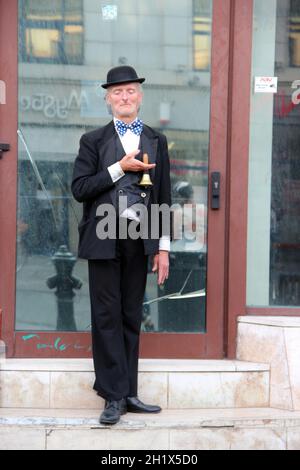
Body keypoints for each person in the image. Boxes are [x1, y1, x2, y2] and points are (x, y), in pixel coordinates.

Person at [71, 65, 172, 425]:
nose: (124, 97)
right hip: (103, 238)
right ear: (108, 99)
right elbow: (80, 188)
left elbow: (162, 195)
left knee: (131, 315)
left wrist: (163, 249)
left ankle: (128, 392)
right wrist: (118, 168)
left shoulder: (157, 139)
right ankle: (112, 396)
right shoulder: (93, 141)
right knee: (106, 317)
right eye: (117, 92)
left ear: (140, 96)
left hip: (138, 241)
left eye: (130, 91)